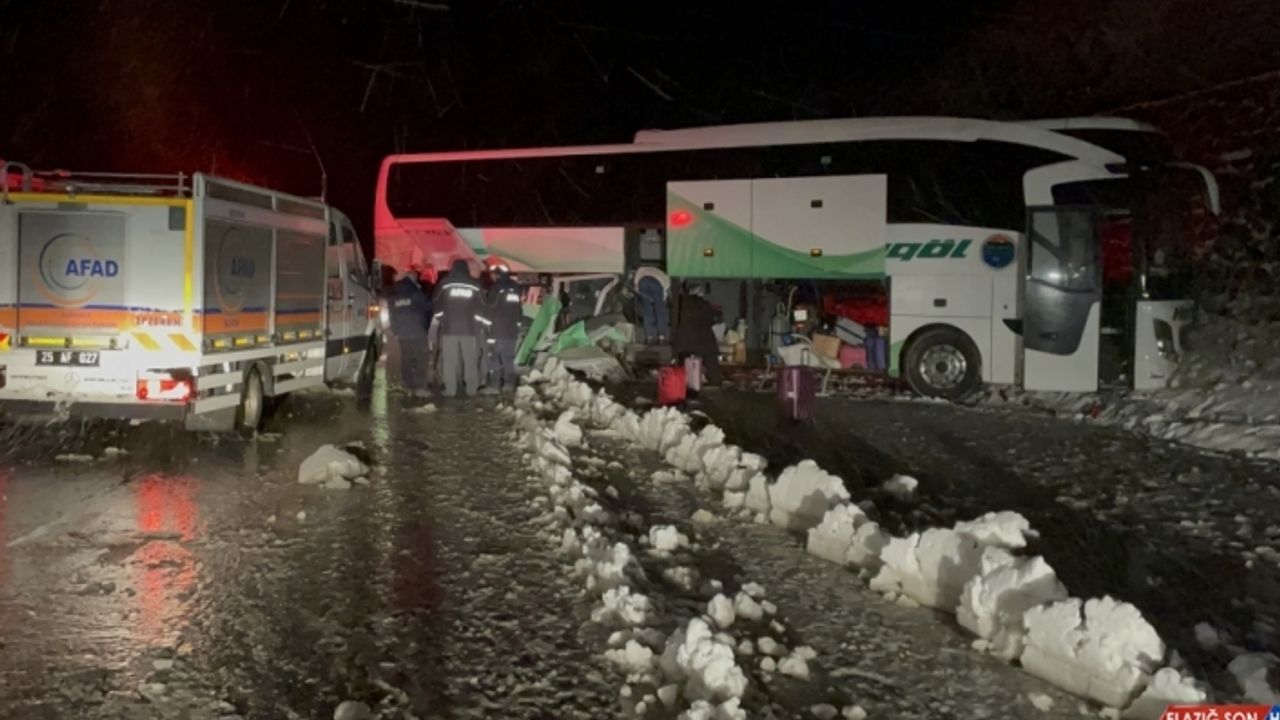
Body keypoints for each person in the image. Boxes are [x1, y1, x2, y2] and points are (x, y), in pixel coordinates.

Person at [432, 259, 489, 398]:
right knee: (470, 361)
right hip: (470, 330)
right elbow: (483, 307)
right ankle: (471, 389)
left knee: (449, 361)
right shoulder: (475, 285)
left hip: (449, 330)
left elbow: (436, 303)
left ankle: (450, 390)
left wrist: (443, 319)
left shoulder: (445, 283)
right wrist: (478, 324)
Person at [386, 266, 433, 394]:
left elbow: (392, 315)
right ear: (413, 279)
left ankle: (408, 384)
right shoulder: (415, 293)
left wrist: (395, 330)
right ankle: (420, 386)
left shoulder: (394, 296)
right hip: (417, 330)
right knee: (421, 358)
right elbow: (428, 306)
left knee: (406, 358)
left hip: (402, 332)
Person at [483, 264, 524, 394]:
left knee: (493, 358)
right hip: (512, 331)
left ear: (497, 275)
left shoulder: (496, 287)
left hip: (497, 330)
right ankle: (509, 384)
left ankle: (494, 386)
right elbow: (519, 310)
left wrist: (486, 327)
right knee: (508, 359)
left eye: (493, 275)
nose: (492, 277)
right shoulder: (516, 288)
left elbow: (490, 308)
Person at [672, 284, 723, 386]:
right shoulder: (705, 305)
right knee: (711, 358)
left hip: (684, 341)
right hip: (703, 340)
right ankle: (715, 381)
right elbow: (711, 319)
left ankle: (682, 382)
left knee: (683, 362)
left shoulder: (681, 305)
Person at [633, 265, 670, 344]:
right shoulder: (665, 276)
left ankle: (649, 336)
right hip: (657, 284)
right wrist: (659, 301)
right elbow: (664, 295)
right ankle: (661, 336)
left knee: (647, 309)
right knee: (660, 310)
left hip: (643, 281)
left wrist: (636, 285)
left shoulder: (643, 268)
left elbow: (637, 275)